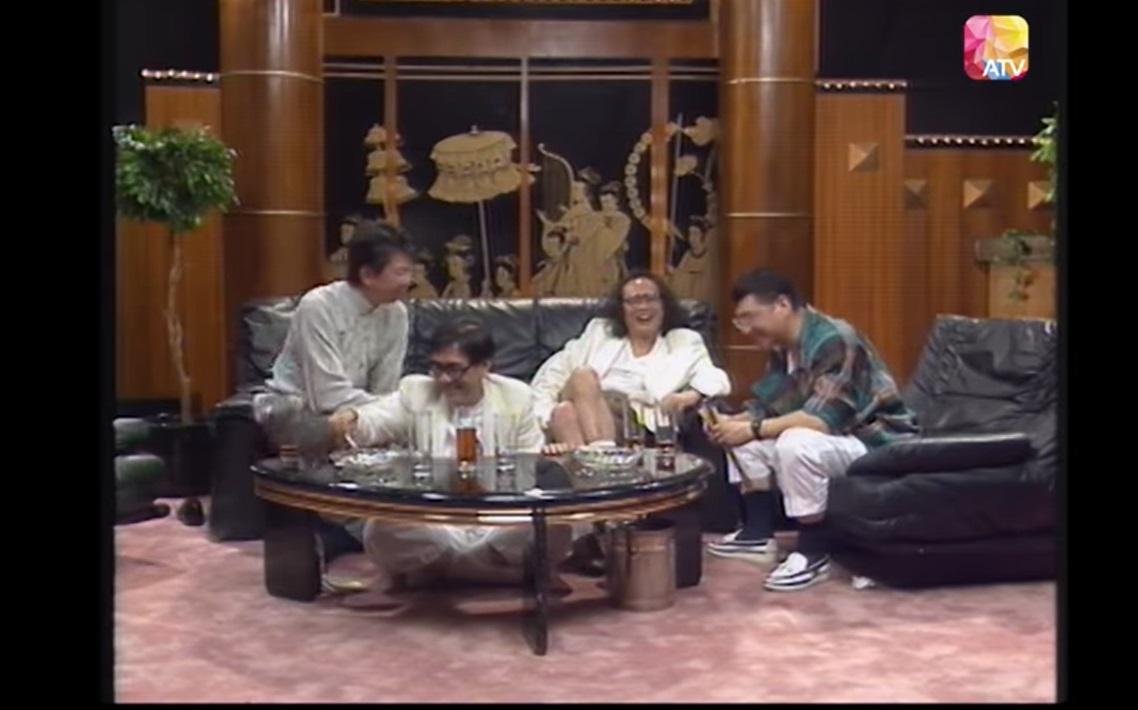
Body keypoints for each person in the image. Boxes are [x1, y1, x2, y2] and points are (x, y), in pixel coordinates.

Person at [326, 318, 573, 607]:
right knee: (381, 528)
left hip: (498, 522)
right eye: (437, 368)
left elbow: (528, 469)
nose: (443, 379)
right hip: (435, 522)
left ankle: (437, 572)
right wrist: (353, 419)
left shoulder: (516, 397)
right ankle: (499, 575)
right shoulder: (416, 391)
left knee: (554, 523)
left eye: (454, 369)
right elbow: (377, 419)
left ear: (485, 367)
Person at [706, 269, 919, 591]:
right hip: (836, 437)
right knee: (744, 439)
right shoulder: (783, 346)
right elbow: (773, 405)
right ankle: (758, 535)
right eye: (740, 321)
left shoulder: (835, 339)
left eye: (750, 318)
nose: (746, 329)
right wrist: (733, 423)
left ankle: (813, 552)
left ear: (781, 305)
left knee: (795, 442)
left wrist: (753, 427)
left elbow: (822, 419)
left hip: (876, 441)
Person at [530, 271, 731, 453]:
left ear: (663, 305)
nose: (642, 307)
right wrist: (544, 415)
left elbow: (716, 379)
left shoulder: (684, 341)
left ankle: (590, 465)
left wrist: (689, 396)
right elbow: (551, 376)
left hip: (636, 423)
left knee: (565, 412)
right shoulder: (599, 333)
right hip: (591, 406)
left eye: (649, 298)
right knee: (579, 381)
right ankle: (603, 452)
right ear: (622, 309)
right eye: (633, 301)